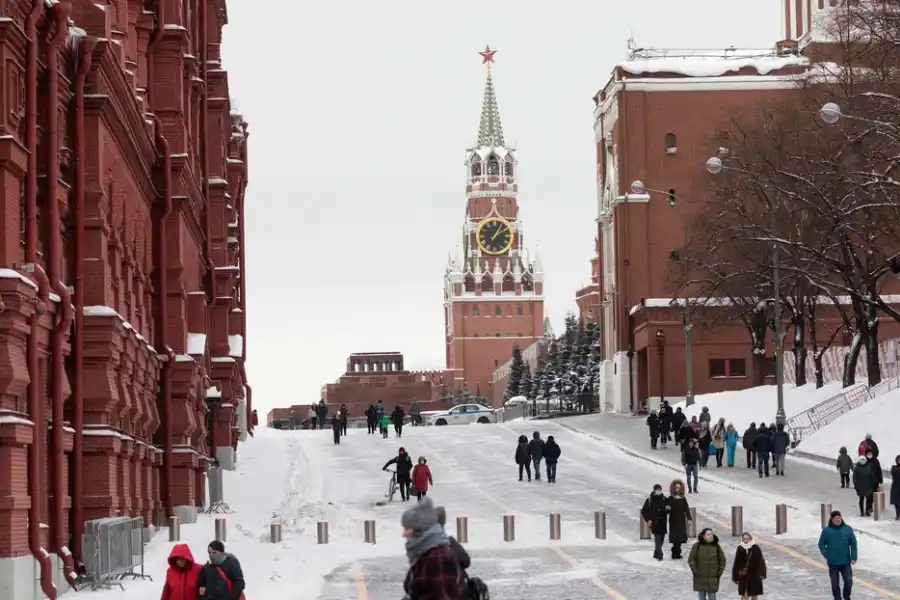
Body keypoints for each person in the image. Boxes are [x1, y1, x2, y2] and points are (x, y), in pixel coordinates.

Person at [400, 498, 466, 600]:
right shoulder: (424, 553)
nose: (403, 534)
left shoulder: (439, 557)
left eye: (407, 528)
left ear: (420, 530)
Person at [818, 510, 857, 600]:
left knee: (848, 581)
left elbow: (853, 543)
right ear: (831, 520)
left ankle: (846, 596)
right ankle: (837, 598)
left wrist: (853, 557)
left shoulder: (848, 529)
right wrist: (827, 555)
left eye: (839, 518)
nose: (838, 520)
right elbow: (821, 544)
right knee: (835, 583)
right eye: (835, 518)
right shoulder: (826, 531)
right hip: (833, 562)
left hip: (845, 561)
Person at [688, 528, 726, 600]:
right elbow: (691, 560)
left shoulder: (716, 547)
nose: (711, 536)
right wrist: (695, 570)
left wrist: (719, 572)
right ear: (703, 536)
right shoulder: (697, 546)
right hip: (700, 578)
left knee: (712, 597)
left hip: (712, 578)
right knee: (702, 597)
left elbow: (722, 561)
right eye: (708, 534)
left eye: (711, 534)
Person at [732, 532, 766, 600]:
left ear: (750, 539)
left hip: (754, 576)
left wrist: (762, 573)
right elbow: (736, 562)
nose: (745, 541)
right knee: (744, 595)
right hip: (744, 576)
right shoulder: (740, 548)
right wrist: (735, 576)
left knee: (754, 596)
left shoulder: (755, 548)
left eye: (747, 539)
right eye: (744, 539)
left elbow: (761, 561)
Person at [641, 484, 668, 561]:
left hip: (663, 522)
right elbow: (644, 511)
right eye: (657, 490)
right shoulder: (650, 499)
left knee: (661, 539)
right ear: (654, 490)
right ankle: (660, 554)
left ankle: (656, 552)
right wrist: (648, 519)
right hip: (654, 522)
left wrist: (668, 509)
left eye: (659, 489)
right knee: (657, 538)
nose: (658, 491)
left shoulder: (664, 499)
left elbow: (669, 509)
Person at [667, 479, 692, 559]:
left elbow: (686, 509)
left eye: (679, 488)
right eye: (676, 487)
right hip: (673, 521)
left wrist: (689, 519)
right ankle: (675, 553)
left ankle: (677, 553)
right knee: (675, 538)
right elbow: (666, 510)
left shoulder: (683, 499)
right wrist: (667, 509)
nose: (678, 489)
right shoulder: (670, 498)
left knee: (680, 538)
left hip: (681, 521)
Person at [890, 455, 900, 520]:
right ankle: (897, 515)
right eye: (899, 460)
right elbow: (894, 473)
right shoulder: (894, 468)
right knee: (896, 503)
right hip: (896, 487)